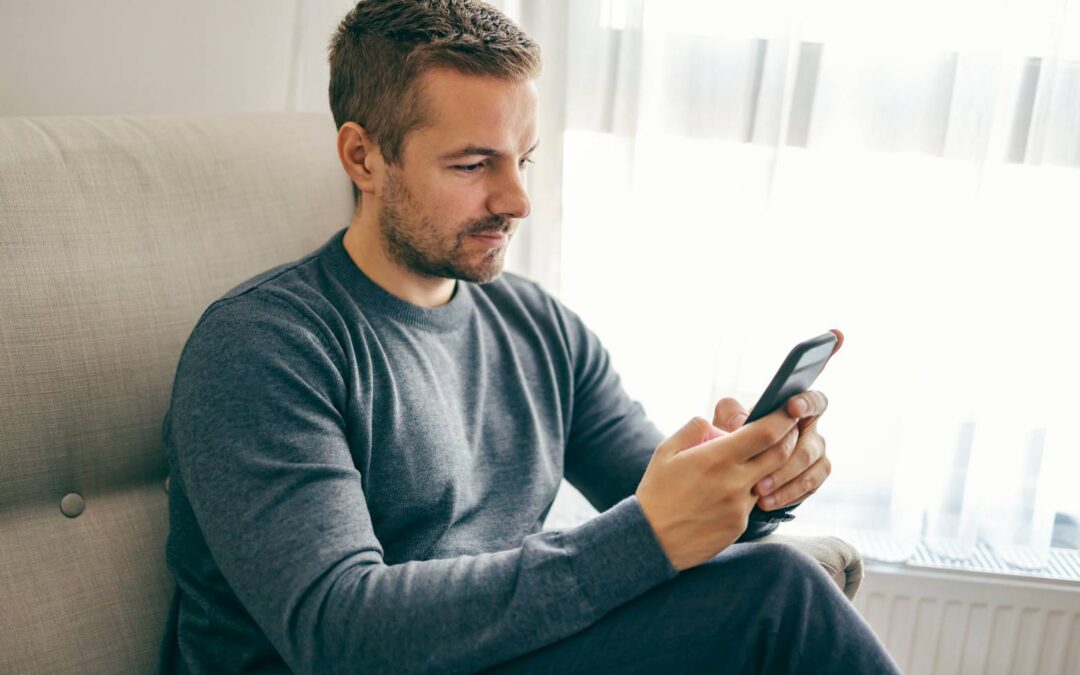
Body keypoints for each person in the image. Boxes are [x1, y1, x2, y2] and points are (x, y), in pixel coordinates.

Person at [157, 1, 900, 673]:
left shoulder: (537, 329)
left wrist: (753, 485)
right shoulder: (264, 347)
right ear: (364, 158)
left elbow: (657, 491)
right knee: (779, 594)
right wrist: (648, 534)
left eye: (524, 159)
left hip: (499, 658)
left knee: (764, 584)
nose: (517, 200)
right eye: (474, 164)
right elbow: (338, 630)